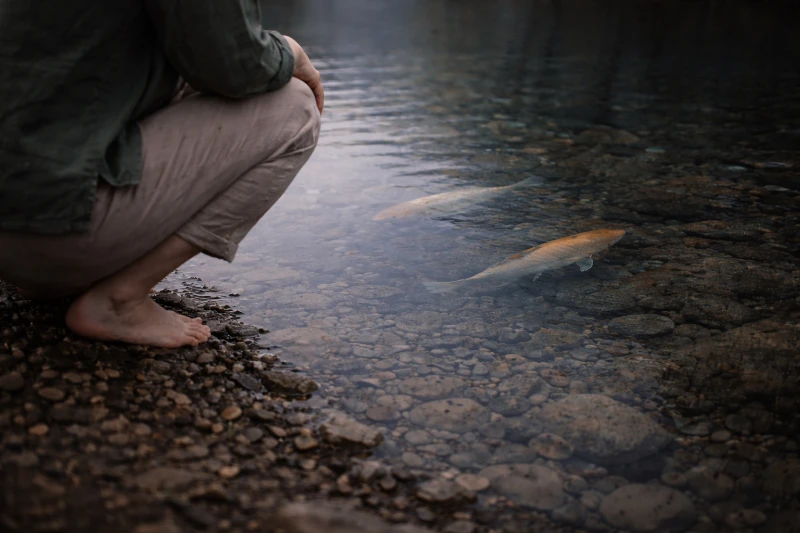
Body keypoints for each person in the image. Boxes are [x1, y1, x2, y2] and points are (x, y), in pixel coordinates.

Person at [0, 2, 322, 349]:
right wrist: (291, 51)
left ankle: (47, 279)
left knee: (168, 70)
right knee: (294, 110)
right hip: (43, 230)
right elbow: (234, 62)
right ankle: (118, 301)